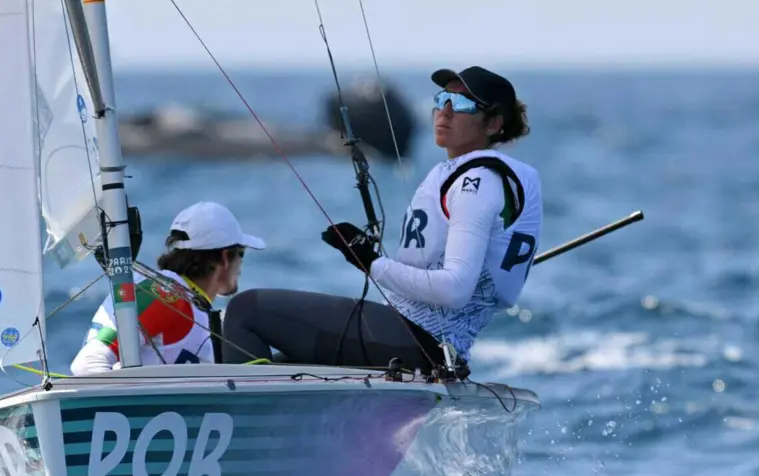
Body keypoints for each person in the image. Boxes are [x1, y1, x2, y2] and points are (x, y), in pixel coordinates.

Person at [221, 65, 542, 374]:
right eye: (440, 100)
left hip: (420, 340)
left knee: (246, 310)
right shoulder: (488, 176)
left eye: (461, 103)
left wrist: (371, 262)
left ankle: (237, 416)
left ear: (493, 123)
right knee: (281, 365)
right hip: (421, 339)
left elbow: (455, 289)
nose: (444, 111)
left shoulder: (478, 183)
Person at [70, 201, 265, 375]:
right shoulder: (167, 296)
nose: (241, 266)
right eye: (242, 254)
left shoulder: (183, 298)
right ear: (225, 255)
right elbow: (87, 364)